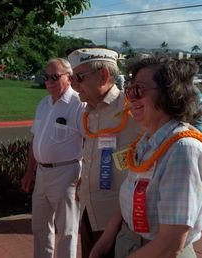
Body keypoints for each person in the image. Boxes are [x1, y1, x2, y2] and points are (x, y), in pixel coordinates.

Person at [90, 56, 202, 258]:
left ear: (170, 92)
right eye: (129, 90)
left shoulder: (182, 149)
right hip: (130, 243)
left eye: (138, 90)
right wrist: (102, 244)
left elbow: (170, 244)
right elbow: (129, 202)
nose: (130, 98)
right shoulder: (146, 142)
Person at [67, 48, 142, 258]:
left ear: (104, 76)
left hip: (119, 220)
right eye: (72, 78)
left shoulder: (132, 110)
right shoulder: (89, 110)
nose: (73, 84)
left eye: (79, 78)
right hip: (89, 212)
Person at [21, 58, 86, 258]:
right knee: (40, 226)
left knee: (67, 229)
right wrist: (29, 173)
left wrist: (84, 176)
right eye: (46, 77)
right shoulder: (44, 103)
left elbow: (90, 143)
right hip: (42, 173)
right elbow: (35, 139)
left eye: (55, 77)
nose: (49, 81)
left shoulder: (79, 104)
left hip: (67, 174)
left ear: (69, 78)